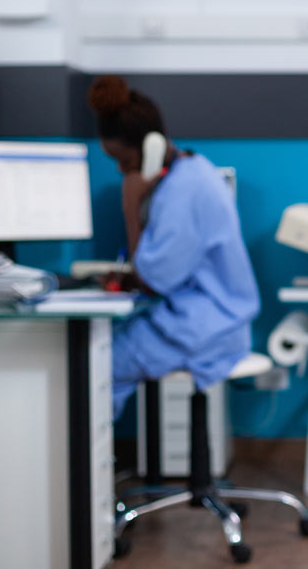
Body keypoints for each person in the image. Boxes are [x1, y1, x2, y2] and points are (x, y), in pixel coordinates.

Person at [87, 75, 261, 418]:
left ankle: (80, 467)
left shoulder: (183, 191)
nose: (123, 172)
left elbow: (154, 280)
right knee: (102, 351)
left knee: (93, 366)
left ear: (151, 147)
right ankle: (95, 464)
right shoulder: (190, 172)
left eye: (125, 161)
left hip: (209, 328)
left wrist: (130, 206)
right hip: (206, 319)